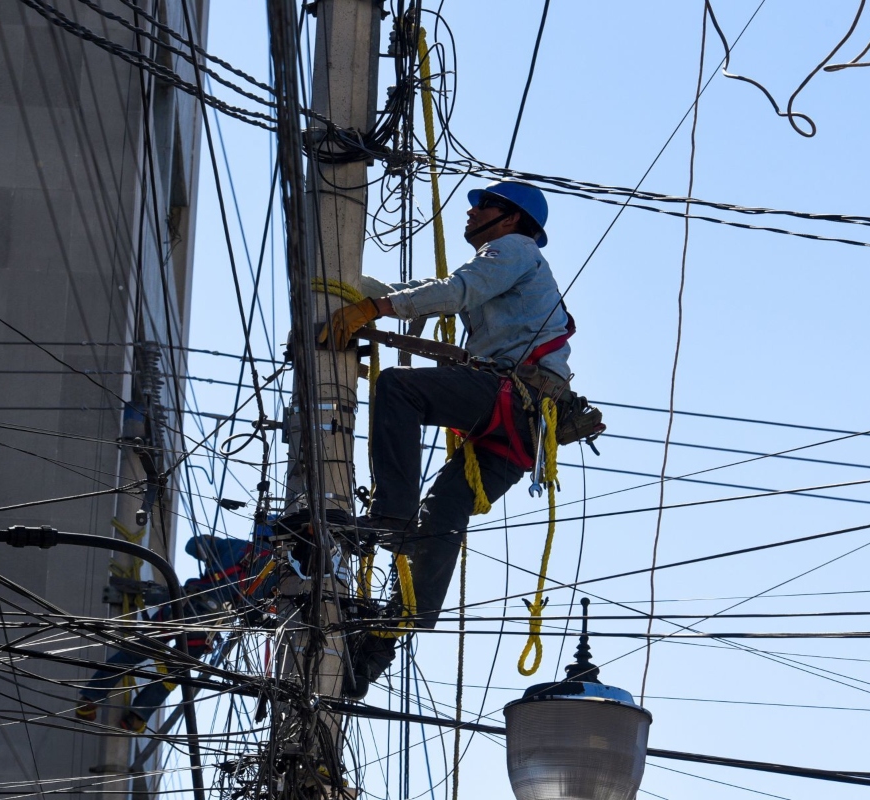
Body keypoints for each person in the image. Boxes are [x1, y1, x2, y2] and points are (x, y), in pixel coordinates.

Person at [321, 180, 574, 698]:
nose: (472, 209)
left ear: (510, 218)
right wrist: (367, 294)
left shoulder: (514, 249)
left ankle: (392, 513)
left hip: (511, 399)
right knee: (444, 513)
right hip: (523, 430)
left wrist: (373, 310)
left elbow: (455, 292)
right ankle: (385, 641)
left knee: (398, 389)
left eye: (484, 205)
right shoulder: (499, 260)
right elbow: (441, 286)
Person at [75, 528, 276, 730]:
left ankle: (90, 698)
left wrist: (209, 547)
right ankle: (137, 716)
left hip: (183, 607)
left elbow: (192, 546)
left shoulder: (236, 546)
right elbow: (254, 616)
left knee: (136, 651)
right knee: (173, 673)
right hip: (205, 630)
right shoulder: (275, 572)